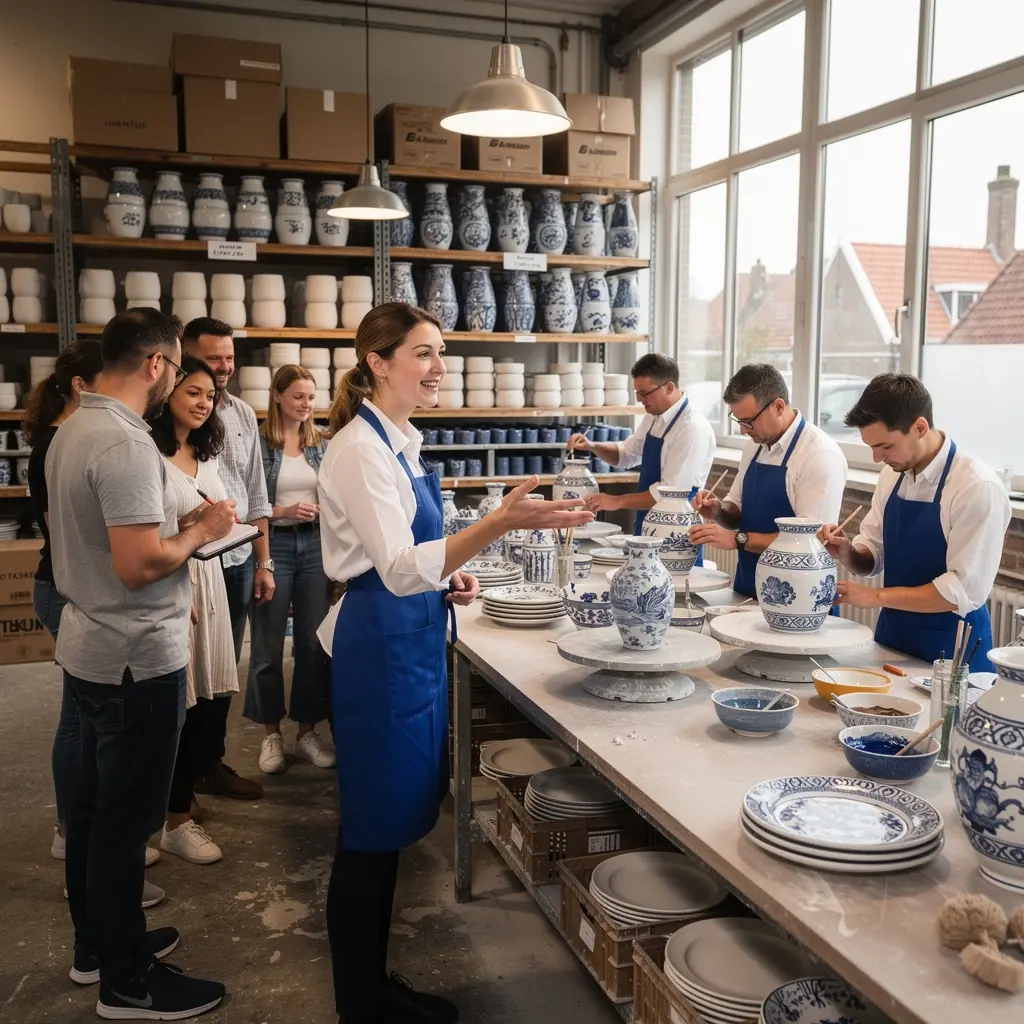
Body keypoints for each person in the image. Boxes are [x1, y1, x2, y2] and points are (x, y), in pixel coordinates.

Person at [318, 303, 593, 1024]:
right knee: (367, 838)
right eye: (424, 353)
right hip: (379, 643)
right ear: (378, 362)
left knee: (392, 827)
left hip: (407, 632)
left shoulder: (399, 441)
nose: (439, 367)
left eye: (441, 352)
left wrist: (451, 576)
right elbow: (400, 564)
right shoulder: (358, 449)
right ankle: (360, 1004)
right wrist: (497, 522)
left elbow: (416, 566)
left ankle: (373, 985)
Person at [46, 309, 234, 1018]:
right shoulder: (124, 444)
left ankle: (98, 946)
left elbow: (117, 540)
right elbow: (137, 565)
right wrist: (204, 531)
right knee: (124, 825)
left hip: (92, 647)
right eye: (178, 366)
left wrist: (178, 529)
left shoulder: (75, 427)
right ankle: (129, 982)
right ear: (157, 363)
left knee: (95, 815)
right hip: (134, 657)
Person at [820, 373, 1010, 672]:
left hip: (952, 651)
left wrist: (875, 596)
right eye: (871, 447)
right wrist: (849, 553)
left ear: (919, 427)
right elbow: (874, 554)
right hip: (894, 637)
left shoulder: (975, 486)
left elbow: (960, 590)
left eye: (885, 446)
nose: (876, 458)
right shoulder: (892, 474)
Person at [149, 356, 240, 865]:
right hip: (174, 584)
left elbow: (211, 517)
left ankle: (179, 807)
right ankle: (174, 821)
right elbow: (149, 532)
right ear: (168, 396)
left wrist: (225, 523)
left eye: (209, 396)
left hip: (210, 581)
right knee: (176, 708)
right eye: (193, 393)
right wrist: (195, 524)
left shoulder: (203, 451)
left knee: (205, 701)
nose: (204, 403)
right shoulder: (151, 455)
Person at [182, 317, 272, 802]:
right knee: (187, 672)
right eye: (214, 357)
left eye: (229, 358)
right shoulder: (171, 411)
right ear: (188, 355)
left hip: (236, 560)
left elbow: (257, 492)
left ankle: (210, 764)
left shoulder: (239, 412)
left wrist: (263, 561)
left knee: (221, 668)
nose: (223, 367)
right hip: (191, 561)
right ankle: (181, 779)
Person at [23, 341, 104, 860]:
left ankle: (78, 828)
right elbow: (66, 536)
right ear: (80, 385)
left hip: (66, 586)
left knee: (83, 716)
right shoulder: (57, 444)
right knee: (79, 717)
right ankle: (71, 833)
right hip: (63, 588)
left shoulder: (68, 437)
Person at [690, 363, 847, 598]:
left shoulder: (819, 455)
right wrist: (719, 511)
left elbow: (808, 541)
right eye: (738, 420)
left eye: (749, 421)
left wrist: (738, 539)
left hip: (798, 596)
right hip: (749, 584)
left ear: (779, 406)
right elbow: (737, 511)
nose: (743, 430)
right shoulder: (754, 447)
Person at [244, 364, 334, 775]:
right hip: (273, 543)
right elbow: (251, 505)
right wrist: (282, 512)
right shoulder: (258, 445)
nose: (306, 404)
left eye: (311, 397)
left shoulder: (321, 443)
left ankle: (306, 731)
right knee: (266, 647)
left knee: (313, 645)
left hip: (314, 544)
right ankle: (271, 734)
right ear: (277, 396)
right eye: (298, 396)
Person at [567, 353, 716, 534]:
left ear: (669, 387)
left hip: (675, 532)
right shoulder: (654, 416)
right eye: (637, 392)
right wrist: (592, 446)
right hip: (647, 520)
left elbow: (668, 494)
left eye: (645, 393)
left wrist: (616, 501)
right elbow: (626, 455)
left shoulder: (691, 428)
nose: (639, 399)